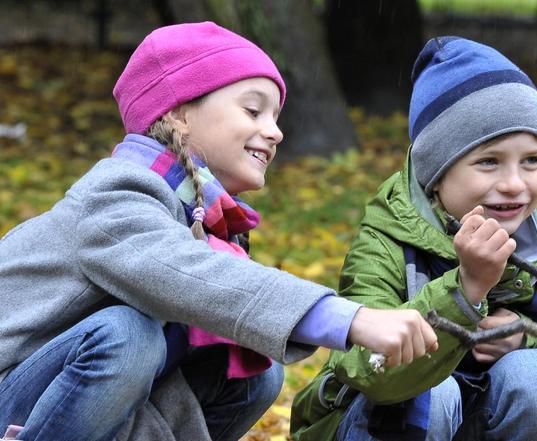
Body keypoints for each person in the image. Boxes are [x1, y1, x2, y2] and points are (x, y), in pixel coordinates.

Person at [0, 22, 438, 441]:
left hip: (62, 396)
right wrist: (350, 319)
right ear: (177, 114)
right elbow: (192, 276)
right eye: (253, 110)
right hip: (11, 389)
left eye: (276, 116)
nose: (275, 131)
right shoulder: (118, 192)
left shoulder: (196, 213)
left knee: (252, 370)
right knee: (128, 334)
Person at [290, 36, 537, 441]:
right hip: (381, 422)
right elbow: (367, 371)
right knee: (432, 394)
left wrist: (525, 340)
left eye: (531, 161)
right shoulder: (385, 245)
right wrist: (466, 291)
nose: (514, 184)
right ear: (436, 175)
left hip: (479, 420)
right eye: (488, 161)